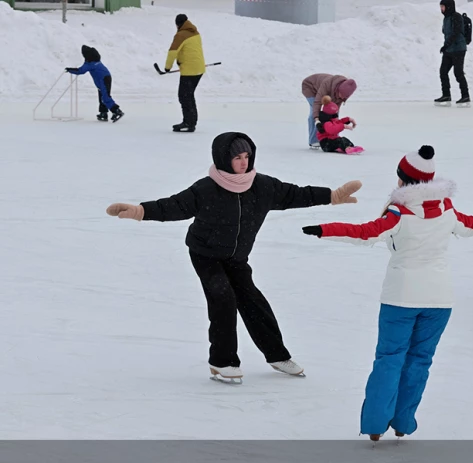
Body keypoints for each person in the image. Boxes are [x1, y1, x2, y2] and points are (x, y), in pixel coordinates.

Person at [106, 132, 362, 383]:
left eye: (246, 156)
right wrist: (141, 211)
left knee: (253, 301)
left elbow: (296, 194)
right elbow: (173, 206)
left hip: (236, 257)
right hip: (205, 253)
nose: (243, 162)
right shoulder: (206, 189)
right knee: (222, 298)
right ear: (222, 158)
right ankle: (222, 361)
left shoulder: (262, 186)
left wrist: (331, 196)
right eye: (236, 157)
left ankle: (277, 356)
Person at [302, 146, 473, 441]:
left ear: (402, 179)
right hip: (439, 300)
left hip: (400, 298)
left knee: (389, 359)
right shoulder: (447, 209)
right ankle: (403, 422)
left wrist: (325, 228)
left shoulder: (399, 212)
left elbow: (365, 233)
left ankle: (375, 425)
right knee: (419, 361)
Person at [164, 14, 206, 133]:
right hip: (199, 69)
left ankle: (189, 123)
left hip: (189, 71)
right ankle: (191, 121)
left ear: (178, 24)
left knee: (184, 96)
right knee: (189, 96)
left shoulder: (180, 35)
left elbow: (172, 52)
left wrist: (167, 68)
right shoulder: (195, 32)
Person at [65, 45, 124, 122]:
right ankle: (103, 113)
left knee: (105, 97)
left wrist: (69, 70)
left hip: (103, 79)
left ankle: (117, 111)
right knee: (102, 96)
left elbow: (80, 71)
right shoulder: (95, 60)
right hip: (104, 78)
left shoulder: (89, 64)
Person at [301, 73, 357, 149]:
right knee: (314, 113)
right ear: (338, 89)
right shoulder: (327, 85)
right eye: (340, 94)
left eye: (343, 97)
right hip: (310, 87)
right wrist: (317, 120)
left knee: (332, 113)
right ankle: (313, 141)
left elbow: (335, 111)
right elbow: (317, 102)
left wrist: (336, 130)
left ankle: (333, 137)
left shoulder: (344, 92)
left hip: (325, 90)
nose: (341, 97)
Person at [434, 0, 470, 105]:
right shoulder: (446, 18)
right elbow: (446, 32)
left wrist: (446, 45)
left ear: (449, 6)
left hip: (458, 49)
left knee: (458, 73)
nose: (441, 9)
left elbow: (456, 32)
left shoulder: (456, 17)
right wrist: (446, 46)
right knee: (443, 71)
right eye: (441, 7)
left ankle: (465, 96)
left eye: (443, 7)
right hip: (449, 49)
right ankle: (446, 95)